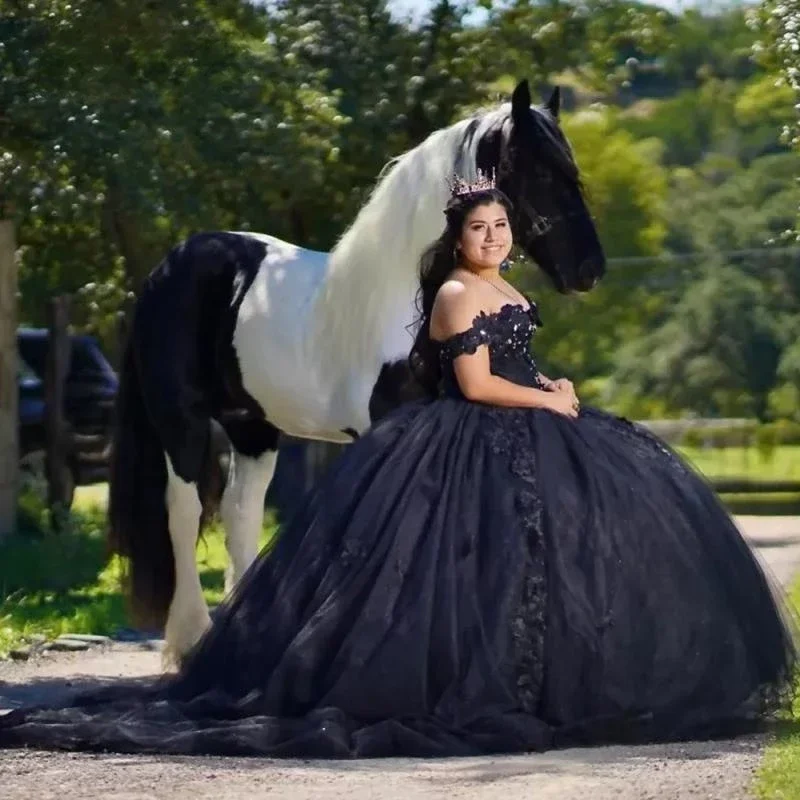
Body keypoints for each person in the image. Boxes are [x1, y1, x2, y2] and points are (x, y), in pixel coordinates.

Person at [0, 179, 796, 759]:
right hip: (474, 435)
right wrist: (544, 403)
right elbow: (478, 383)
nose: (494, 239)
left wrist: (555, 386)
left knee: (561, 559)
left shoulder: (504, 284)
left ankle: (550, 679)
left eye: (501, 228)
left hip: (527, 420)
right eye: (481, 230)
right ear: (458, 239)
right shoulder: (454, 292)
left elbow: (516, 361)